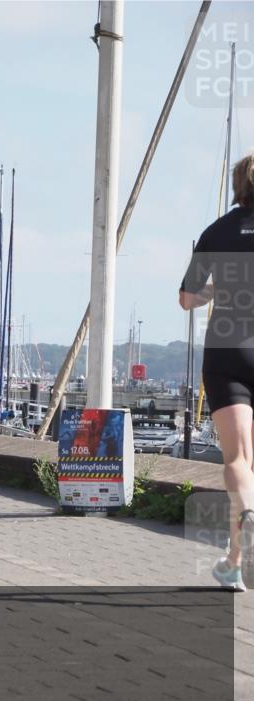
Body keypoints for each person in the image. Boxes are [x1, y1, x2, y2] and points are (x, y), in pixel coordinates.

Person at [180, 152, 254, 591]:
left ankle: (235, 559)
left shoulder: (218, 231)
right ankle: (234, 561)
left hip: (229, 349)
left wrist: (213, 290)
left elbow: (187, 297)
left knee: (238, 461)